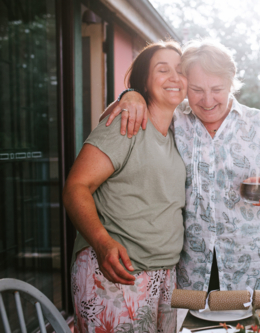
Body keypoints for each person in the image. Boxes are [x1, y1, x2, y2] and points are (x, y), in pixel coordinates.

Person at [103, 39, 260, 292]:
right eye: (196, 89)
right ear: (185, 85)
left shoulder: (257, 122)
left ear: (231, 83)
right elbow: (112, 117)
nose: (207, 100)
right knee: (199, 330)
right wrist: (130, 96)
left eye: (217, 89)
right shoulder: (175, 120)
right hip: (196, 272)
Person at [63, 41, 187, 332]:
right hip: (117, 272)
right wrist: (102, 243)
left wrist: (129, 94)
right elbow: (75, 187)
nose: (173, 77)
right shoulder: (125, 124)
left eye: (181, 71)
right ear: (144, 79)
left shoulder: (180, 131)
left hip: (166, 274)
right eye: (162, 69)